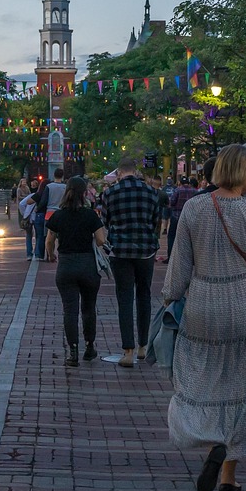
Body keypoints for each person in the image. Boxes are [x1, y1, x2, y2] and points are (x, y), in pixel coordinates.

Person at [163, 143, 246, 491]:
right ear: (241, 172)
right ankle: (229, 475)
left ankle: (214, 439)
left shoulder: (193, 208)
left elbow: (179, 267)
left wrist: (169, 299)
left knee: (204, 381)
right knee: (244, 386)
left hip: (203, 304)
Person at [100, 157, 167, 367]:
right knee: (144, 296)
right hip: (145, 250)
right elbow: (156, 220)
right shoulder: (151, 192)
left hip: (120, 251)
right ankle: (143, 347)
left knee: (125, 298)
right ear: (136, 171)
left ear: (119, 172)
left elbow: (105, 221)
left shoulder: (109, 193)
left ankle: (127, 351)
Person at [47, 177, 108, 366]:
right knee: (89, 308)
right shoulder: (90, 215)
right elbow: (100, 240)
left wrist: (51, 255)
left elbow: (49, 240)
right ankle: (89, 347)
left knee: (69, 310)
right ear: (84, 193)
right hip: (88, 265)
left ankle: (72, 350)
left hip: (66, 265)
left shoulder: (58, 215)